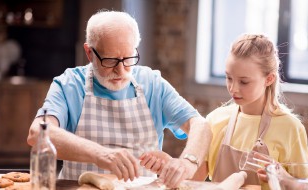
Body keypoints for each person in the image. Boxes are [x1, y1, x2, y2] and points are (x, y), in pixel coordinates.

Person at [26, 10, 212, 184]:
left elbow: (200, 125)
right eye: (110, 60)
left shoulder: (152, 83)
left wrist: (188, 163)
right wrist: (101, 154)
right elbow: (37, 134)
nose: (121, 70)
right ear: (89, 53)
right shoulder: (70, 84)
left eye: (128, 59)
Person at [141, 33, 308, 189]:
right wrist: (170, 167)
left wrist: (284, 177)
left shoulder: (290, 128)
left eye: (244, 82)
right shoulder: (215, 120)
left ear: (269, 79)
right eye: (229, 78)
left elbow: (303, 185)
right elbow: (192, 183)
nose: (233, 88)